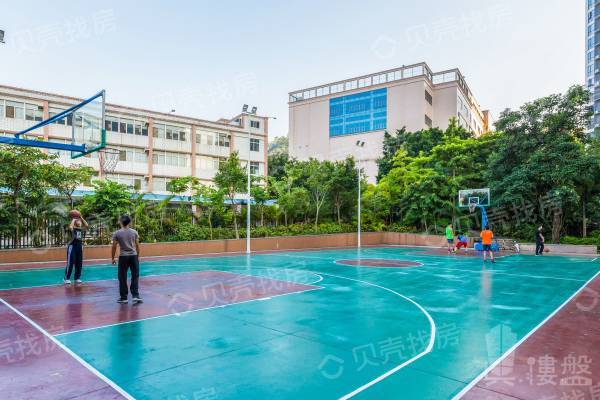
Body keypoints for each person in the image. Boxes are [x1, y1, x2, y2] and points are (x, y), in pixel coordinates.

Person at [111, 214, 142, 304]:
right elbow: (137, 245)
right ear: (130, 222)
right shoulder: (134, 232)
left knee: (122, 277)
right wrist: (138, 256)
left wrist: (113, 258)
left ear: (120, 222)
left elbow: (114, 246)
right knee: (135, 276)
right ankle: (135, 296)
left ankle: (124, 297)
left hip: (123, 257)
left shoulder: (117, 233)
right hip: (133, 256)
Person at [64, 215, 88, 284]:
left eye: (80, 221)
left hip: (79, 247)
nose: (80, 222)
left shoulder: (81, 229)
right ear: (75, 222)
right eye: (78, 221)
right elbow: (70, 227)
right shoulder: (73, 228)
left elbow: (86, 225)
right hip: (72, 246)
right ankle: (67, 278)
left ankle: (77, 278)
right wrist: (74, 219)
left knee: (79, 263)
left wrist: (81, 218)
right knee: (70, 262)